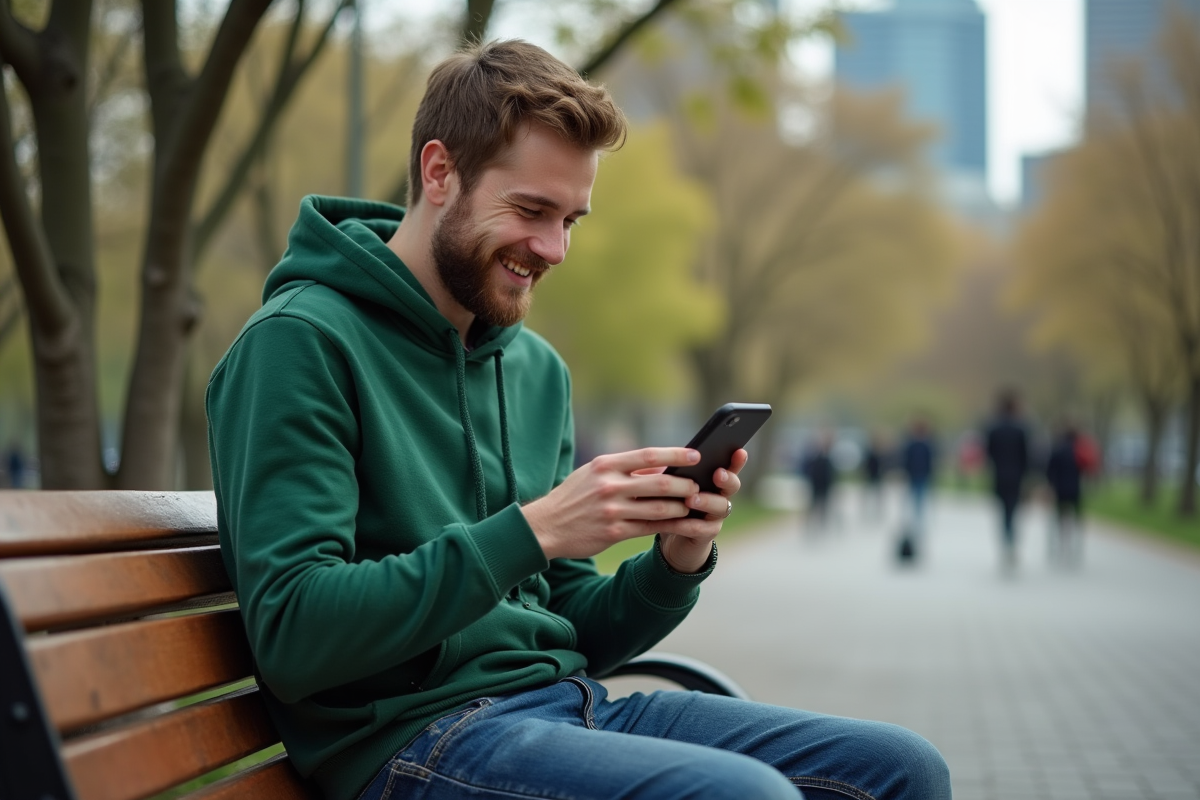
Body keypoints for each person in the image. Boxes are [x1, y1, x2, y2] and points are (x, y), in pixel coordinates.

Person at [207, 40, 949, 800]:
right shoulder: (299, 344)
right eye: (530, 210)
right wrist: (531, 531)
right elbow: (294, 634)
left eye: (572, 220)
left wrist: (674, 562)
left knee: (902, 770)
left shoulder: (534, 372)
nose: (553, 248)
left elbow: (571, 628)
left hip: (565, 710)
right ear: (439, 172)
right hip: (406, 743)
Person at [984, 390, 1030, 569]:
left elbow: (989, 453)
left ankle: (1006, 542)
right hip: (1016, 476)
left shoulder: (993, 428)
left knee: (1003, 512)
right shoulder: (1021, 428)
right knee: (1013, 511)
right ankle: (1011, 542)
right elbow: (1026, 456)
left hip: (999, 475)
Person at [1045, 423, 1087, 566]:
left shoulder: (1058, 449)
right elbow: (1085, 468)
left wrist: (1050, 486)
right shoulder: (1079, 450)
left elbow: (1050, 470)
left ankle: (1057, 545)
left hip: (1060, 489)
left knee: (1058, 517)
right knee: (1076, 517)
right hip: (1075, 489)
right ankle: (1076, 545)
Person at [900, 418, 937, 541]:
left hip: (922, 474)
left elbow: (930, 461)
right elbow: (906, 460)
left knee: (919, 499)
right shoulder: (912, 444)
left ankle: (917, 521)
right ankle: (912, 521)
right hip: (913, 474)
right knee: (912, 498)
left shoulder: (926, 444)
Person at [799, 431, 837, 532]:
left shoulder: (829, 455)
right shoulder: (813, 454)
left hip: (825, 485)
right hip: (815, 484)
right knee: (813, 505)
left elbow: (831, 472)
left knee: (824, 506)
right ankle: (809, 525)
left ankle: (822, 524)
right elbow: (807, 468)